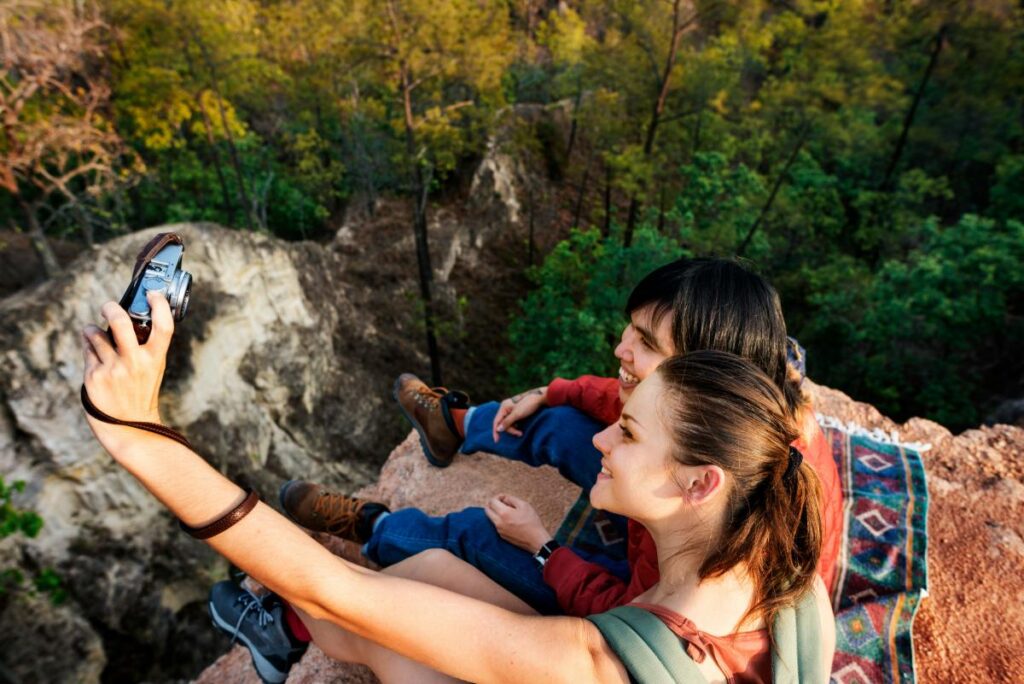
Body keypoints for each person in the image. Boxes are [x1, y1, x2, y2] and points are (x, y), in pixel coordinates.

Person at [80, 294, 835, 683]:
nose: (600, 440)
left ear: (702, 483)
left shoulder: (598, 662)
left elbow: (331, 587)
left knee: (355, 613)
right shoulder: (783, 549)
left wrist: (135, 432)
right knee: (428, 574)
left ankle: (291, 630)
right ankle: (290, 634)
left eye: (628, 434)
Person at [277, 258, 843, 617]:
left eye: (645, 344)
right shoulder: (742, 401)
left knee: (479, 535)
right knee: (562, 423)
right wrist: (554, 391)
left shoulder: (708, 551)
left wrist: (542, 547)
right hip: (662, 505)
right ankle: (453, 427)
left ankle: (374, 531)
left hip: (638, 592)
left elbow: (627, 621)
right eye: (633, 328)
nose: (622, 348)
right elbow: (623, 403)